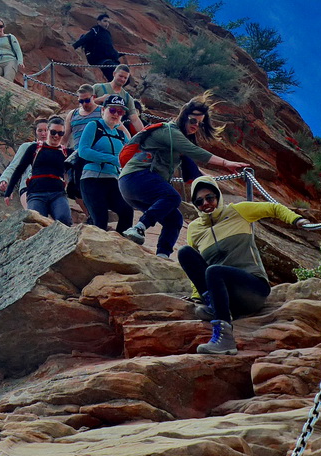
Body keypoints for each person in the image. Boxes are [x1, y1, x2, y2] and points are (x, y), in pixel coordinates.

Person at [179, 176, 308, 355]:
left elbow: (273, 208)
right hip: (226, 296)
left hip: (253, 289)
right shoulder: (195, 228)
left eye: (210, 197)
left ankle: (225, 339)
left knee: (214, 271)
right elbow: (196, 268)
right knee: (185, 253)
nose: (206, 203)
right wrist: (197, 296)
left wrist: (296, 220)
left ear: (218, 196)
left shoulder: (238, 211)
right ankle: (214, 306)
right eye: (199, 201)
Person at [119, 120, 248, 258]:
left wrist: (207, 178)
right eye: (192, 120)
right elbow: (195, 151)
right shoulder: (168, 131)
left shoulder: (179, 145)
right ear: (183, 118)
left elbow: (191, 169)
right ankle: (139, 227)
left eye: (199, 124)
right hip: (134, 177)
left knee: (174, 219)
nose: (195, 126)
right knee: (172, 197)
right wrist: (225, 163)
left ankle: (162, 256)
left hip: (135, 185)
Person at [76, 95, 134, 233]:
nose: (116, 114)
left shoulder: (120, 134)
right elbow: (83, 151)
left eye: (120, 112)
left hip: (113, 180)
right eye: (112, 110)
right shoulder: (94, 126)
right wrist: (112, 159)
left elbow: (131, 153)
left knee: (127, 211)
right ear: (103, 110)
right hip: (92, 179)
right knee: (100, 220)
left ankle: (119, 245)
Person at [3, 116, 71, 225]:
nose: (56, 136)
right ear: (48, 130)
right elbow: (19, 169)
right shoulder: (34, 148)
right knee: (36, 223)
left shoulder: (67, 152)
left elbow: (80, 167)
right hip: (36, 193)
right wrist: (8, 190)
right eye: (53, 132)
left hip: (57, 193)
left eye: (60, 133)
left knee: (64, 219)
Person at [0, 119, 49, 208]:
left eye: (46, 130)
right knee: (34, 216)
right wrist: (4, 179)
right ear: (35, 132)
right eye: (40, 130)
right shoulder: (27, 147)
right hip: (29, 187)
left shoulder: (59, 149)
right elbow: (14, 165)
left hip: (52, 189)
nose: (43, 133)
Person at [92, 64, 144, 133]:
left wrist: (144, 134)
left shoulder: (127, 97)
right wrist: (100, 99)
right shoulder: (97, 88)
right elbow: (83, 105)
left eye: (125, 78)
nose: (122, 79)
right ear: (114, 74)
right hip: (93, 125)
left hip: (112, 130)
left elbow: (134, 119)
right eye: (120, 76)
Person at [72, 13, 123, 81]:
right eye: (105, 21)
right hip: (98, 59)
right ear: (98, 22)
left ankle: (113, 88)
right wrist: (72, 48)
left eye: (108, 22)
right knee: (114, 72)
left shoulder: (107, 33)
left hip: (108, 58)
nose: (107, 24)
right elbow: (83, 40)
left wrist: (116, 54)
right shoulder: (95, 31)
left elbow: (109, 47)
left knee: (121, 72)